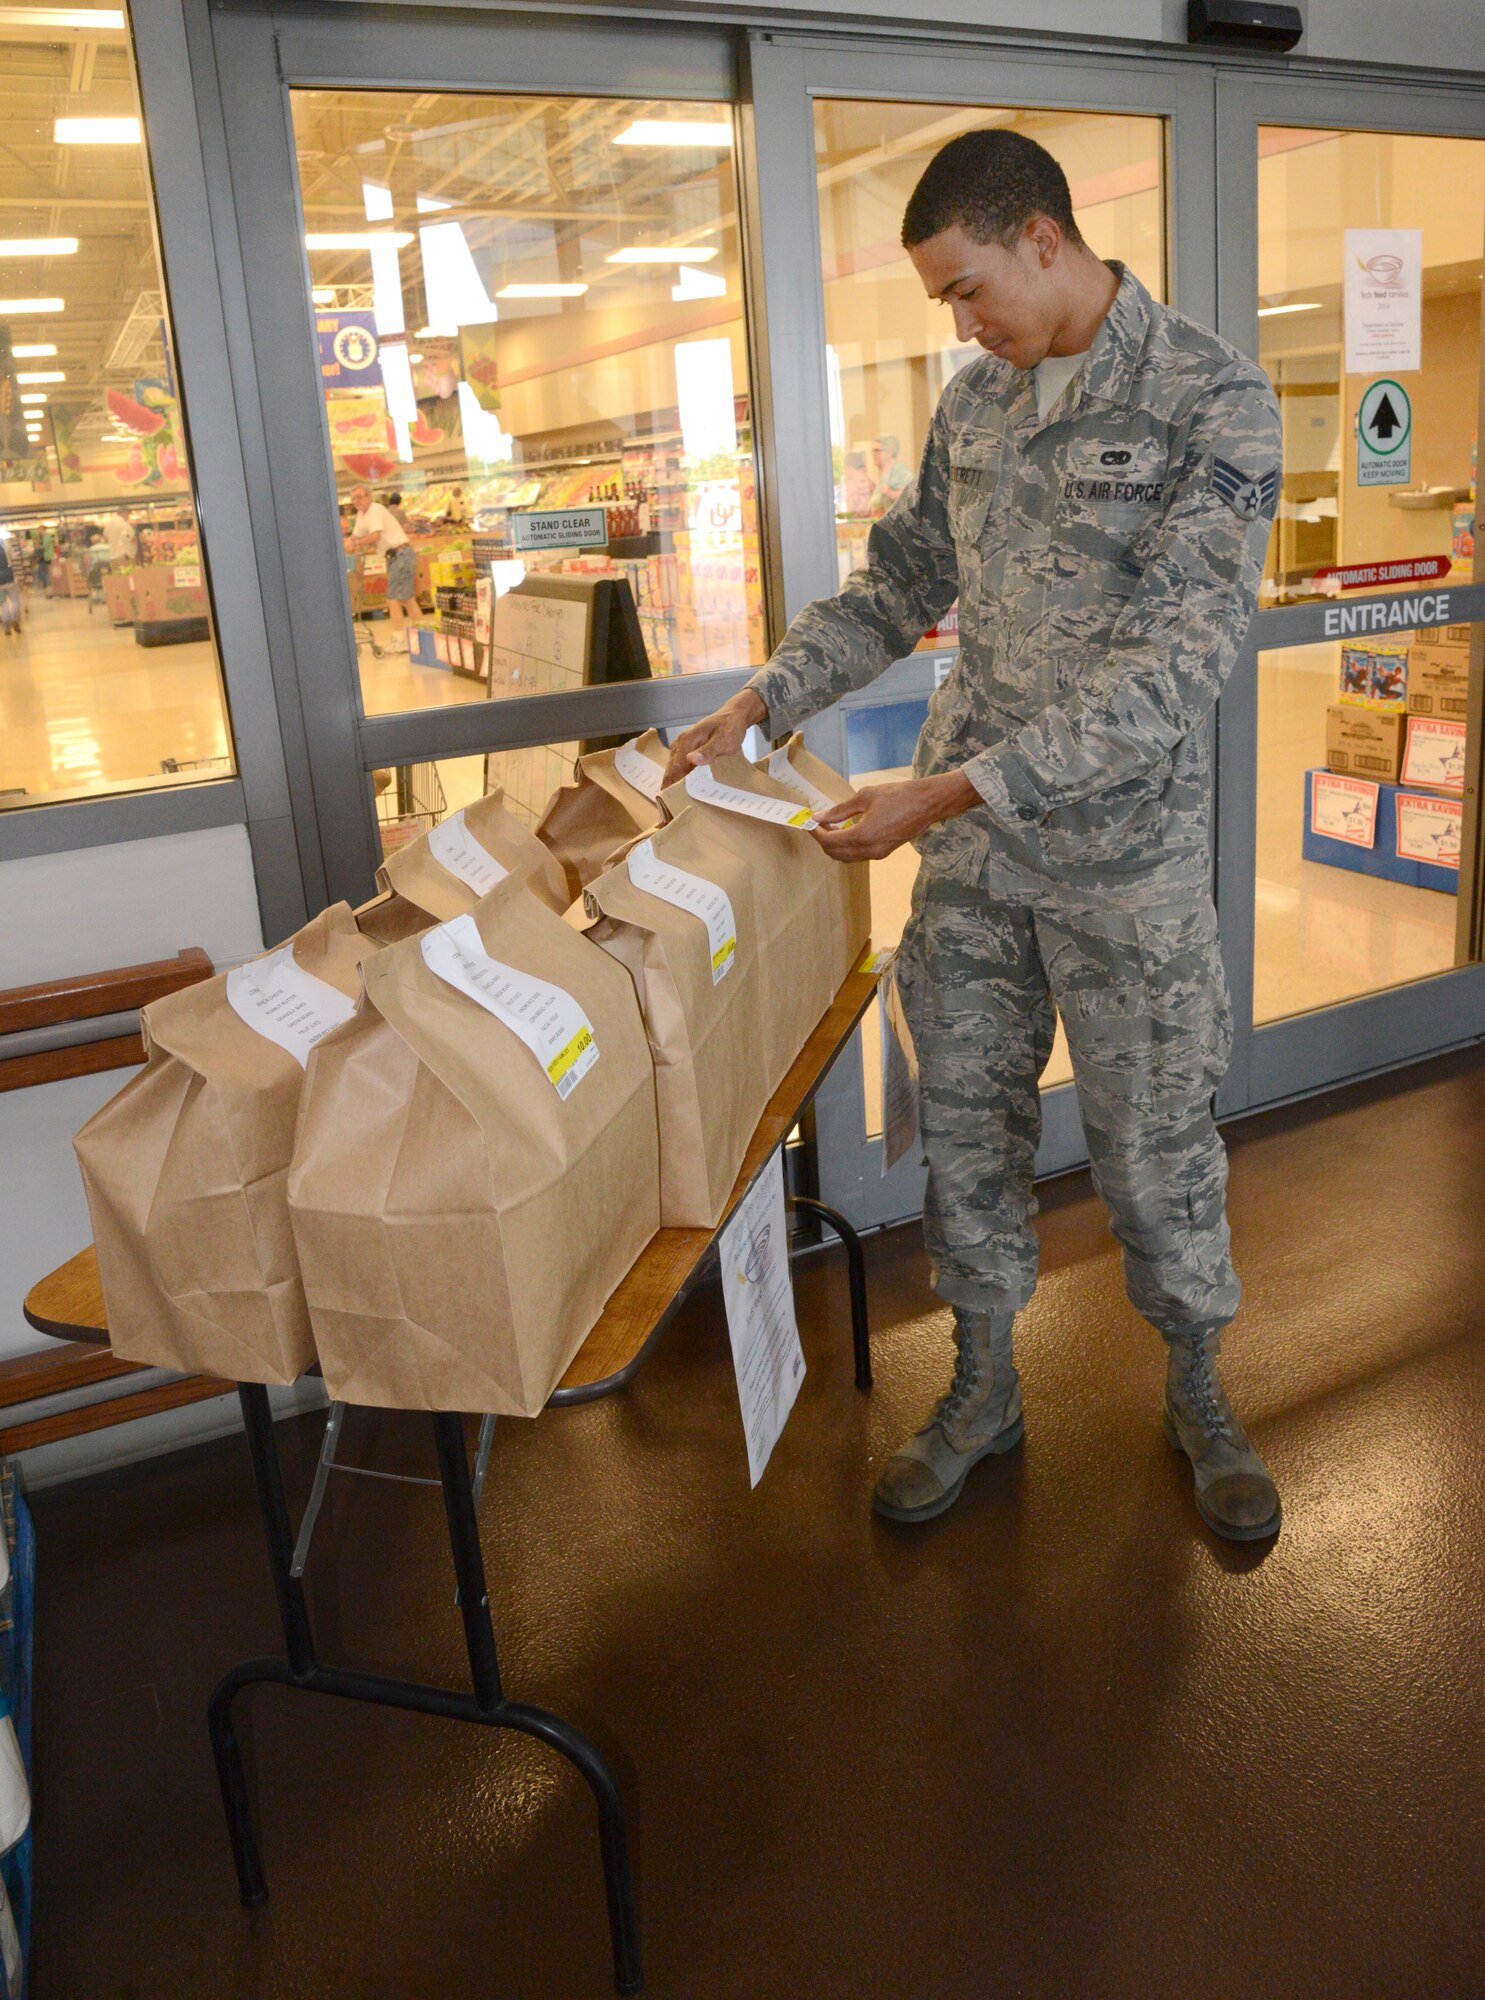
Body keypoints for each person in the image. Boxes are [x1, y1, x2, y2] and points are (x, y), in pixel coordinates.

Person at [665, 128, 1284, 1543]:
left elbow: (1172, 667)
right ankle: (986, 1386)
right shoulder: (978, 407)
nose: (961, 322)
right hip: (973, 877)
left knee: (1154, 1151)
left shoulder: (1210, 398)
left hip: (1122, 871)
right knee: (966, 1131)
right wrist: (762, 705)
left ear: (1043, 242)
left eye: (964, 290)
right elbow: (896, 585)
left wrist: (938, 794)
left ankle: (1198, 1388)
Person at [347, 480, 417, 649]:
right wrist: (348, 541)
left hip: (401, 554)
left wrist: (354, 544)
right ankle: (423, 637)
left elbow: (374, 537)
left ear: (369, 496)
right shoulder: (362, 515)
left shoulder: (375, 510)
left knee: (393, 598)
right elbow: (357, 535)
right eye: (353, 498)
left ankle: (400, 640)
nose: (357, 501)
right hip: (394, 557)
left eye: (360, 497)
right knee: (407, 599)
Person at [866, 434, 911, 517]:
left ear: (890, 452)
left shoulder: (901, 472)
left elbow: (911, 495)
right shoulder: (884, 474)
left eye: (877, 450)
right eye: (872, 451)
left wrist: (891, 493)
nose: (873, 454)